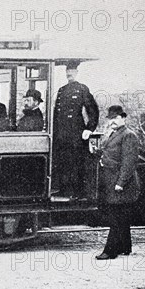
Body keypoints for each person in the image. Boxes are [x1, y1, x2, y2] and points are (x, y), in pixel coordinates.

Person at [96, 105, 141, 260]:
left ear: (123, 118)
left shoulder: (129, 135)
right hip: (112, 180)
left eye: (115, 118)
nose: (113, 121)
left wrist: (120, 183)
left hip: (122, 183)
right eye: (110, 118)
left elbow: (129, 162)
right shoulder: (114, 134)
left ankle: (110, 251)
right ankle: (125, 247)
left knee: (116, 217)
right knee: (121, 216)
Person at [52, 60, 99, 200]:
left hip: (76, 133)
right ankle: (64, 189)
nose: (69, 73)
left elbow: (93, 110)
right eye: (67, 71)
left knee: (76, 163)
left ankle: (78, 192)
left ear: (77, 72)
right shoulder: (61, 90)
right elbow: (56, 114)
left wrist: (89, 128)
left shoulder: (82, 89)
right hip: (61, 133)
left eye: (72, 71)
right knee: (62, 162)